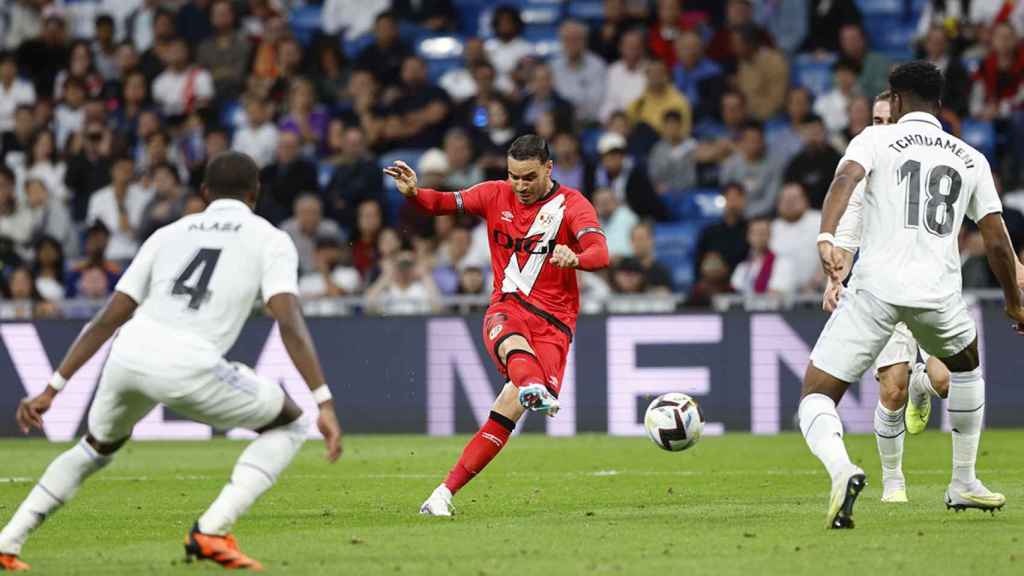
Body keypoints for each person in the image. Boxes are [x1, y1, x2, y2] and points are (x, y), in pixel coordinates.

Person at [0, 152, 342, 572]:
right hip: (188, 364)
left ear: (203, 193)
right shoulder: (270, 238)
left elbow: (108, 317)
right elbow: (289, 320)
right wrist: (323, 401)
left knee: (94, 447)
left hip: (128, 353)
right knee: (290, 422)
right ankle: (212, 531)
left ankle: (8, 540)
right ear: (255, 194)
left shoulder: (167, 234)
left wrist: (53, 387)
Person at [802, 62, 1024, 530]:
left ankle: (843, 470)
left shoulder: (874, 139)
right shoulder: (970, 157)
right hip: (938, 294)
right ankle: (963, 480)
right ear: (940, 105)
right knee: (966, 366)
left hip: (876, 291)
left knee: (817, 395)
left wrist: (825, 236)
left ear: (896, 102)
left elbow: (844, 182)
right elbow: (997, 239)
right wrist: (1014, 301)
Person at [384, 134, 609, 516]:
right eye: (513, 176)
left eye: (528, 177)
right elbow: (444, 203)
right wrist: (414, 193)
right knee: (512, 344)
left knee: (505, 415)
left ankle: (441, 495)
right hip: (507, 308)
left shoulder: (573, 206)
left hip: (554, 324)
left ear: (549, 169)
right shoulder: (494, 194)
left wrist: (577, 258)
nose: (519, 186)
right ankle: (531, 384)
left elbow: (601, 253)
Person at [822, 88, 953, 504]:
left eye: (887, 121)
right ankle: (894, 481)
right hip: (883, 286)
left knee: (944, 381)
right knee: (890, 391)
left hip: (933, 284)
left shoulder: (933, 161)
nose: (881, 129)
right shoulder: (867, 168)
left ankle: (922, 384)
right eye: (875, 123)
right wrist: (835, 276)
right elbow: (851, 222)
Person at [730, 217, 795, 296]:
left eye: (763, 233)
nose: (758, 237)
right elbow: (735, 294)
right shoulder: (742, 267)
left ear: (770, 235)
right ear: (748, 236)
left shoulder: (782, 264)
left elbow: (775, 294)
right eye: (754, 233)